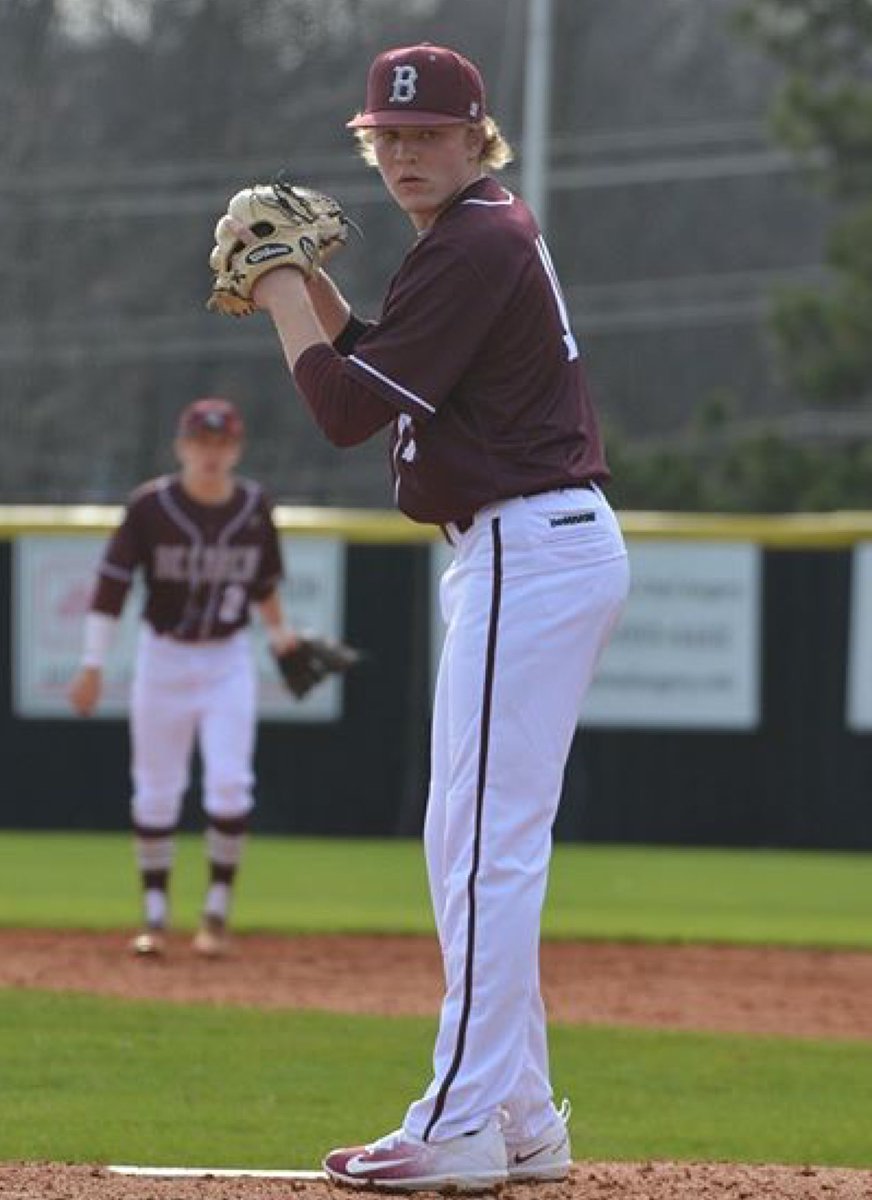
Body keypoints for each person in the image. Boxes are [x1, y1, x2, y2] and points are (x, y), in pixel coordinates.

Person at [216, 43, 630, 1191]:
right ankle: (522, 1114)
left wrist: (281, 284)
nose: (403, 153)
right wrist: (309, 290)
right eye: (385, 138)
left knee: (486, 853)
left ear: (474, 134)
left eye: (426, 134)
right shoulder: (476, 232)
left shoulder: (475, 239)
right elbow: (379, 369)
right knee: (468, 847)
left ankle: (459, 1124)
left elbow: (346, 410)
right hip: (527, 549)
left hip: (526, 550)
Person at [67, 397, 304, 960]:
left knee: (229, 783)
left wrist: (280, 637)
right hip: (164, 658)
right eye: (201, 442)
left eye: (221, 443)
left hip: (227, 660)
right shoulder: (150, 507)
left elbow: (264, 583)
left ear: (236, 448)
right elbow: (112, 588)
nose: (210, 453)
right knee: (156, 788)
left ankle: (216, 911)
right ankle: (154, 917)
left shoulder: (252, 505)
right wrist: (93, 664)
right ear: (181, 446)